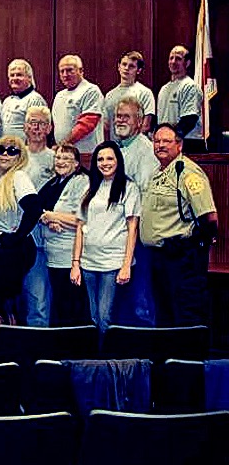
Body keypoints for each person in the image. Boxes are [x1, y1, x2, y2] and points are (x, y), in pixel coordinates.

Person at [140, 124, 218, 327]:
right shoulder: (159, 172)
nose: (160, 145)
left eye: (166, 141)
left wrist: (190, 248)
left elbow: (209, 218)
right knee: (165, 313)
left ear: (179, 145)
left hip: (181, 258)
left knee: (185, 314)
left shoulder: (188, 173)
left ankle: (189, 349)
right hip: (159, 257)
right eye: (157, 141)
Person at [71, 141, 140, 333]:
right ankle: (96, 351)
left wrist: (126, 265)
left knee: (105, 316)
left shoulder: (129, 187)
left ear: (118, 161)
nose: (105, 163)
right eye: (100, 159)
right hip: (88, 263)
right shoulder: (89, 186)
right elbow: (80, 226)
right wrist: (75, 264)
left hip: (113, 263)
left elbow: (132, 228)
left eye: (110, 158)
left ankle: (106, 353)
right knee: (93, 316)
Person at [0, 135, 42, 327]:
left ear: (20, 156)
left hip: (10, 251)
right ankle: (1, 342)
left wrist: (14, 238)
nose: (5, 154)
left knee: (3, 304)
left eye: (12, 151)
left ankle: (12, 342)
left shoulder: (18, 177)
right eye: (1, 149)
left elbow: (34, 209)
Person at [112, 97, 159, 327]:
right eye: (118, 116)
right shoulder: (116, 148)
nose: (120, 120)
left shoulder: (145, 151)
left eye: (126, 117)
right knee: (121, 298)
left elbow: (143, 194)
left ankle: (145, 345)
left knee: (140, 296)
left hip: (137, 234)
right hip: (116, 233)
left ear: (139, 122)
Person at [39, 145, 91, 327]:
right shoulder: (53, 183)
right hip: (52, 255)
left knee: (73, 308)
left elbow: (81, 219)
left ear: (76, 164)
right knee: (60, 307)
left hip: (70, 257)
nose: (60, 162)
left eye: (66, 159)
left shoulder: (82, 182)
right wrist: (49, 220)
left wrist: (51, 216)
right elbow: (38, 209)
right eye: (58, 158)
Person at [21, 105, 56, 327]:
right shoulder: (15, 155)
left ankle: (38, 343)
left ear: (49, 128)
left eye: (42, 123)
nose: (36, 128)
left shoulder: (55, 158)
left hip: (43, 238)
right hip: (16, 236)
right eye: (32, 122)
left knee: (39, 299)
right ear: (25, 126)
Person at [157, 45, 206, 153]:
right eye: (171, 58)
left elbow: (189, 120)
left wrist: (172, 138)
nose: (173, 62)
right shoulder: (164, 89)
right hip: (168, 143)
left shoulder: (190, 87)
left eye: (178, 59)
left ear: (187, 63)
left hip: (187, 144)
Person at [52, 55, 103, 153]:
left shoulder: (91, 90)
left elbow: (87, 124)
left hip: (86, 153)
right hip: (64, 153)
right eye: (62, 71)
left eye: (69, 70)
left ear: (81, 71)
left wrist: (64, 144)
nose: (65, 74)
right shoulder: (59, 96)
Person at [103, 51, 154, 141]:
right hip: (115, 146)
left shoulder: (145, 93)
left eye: (131, 66)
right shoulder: (109, 95)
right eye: (124, 64)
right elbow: (106, 126)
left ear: (138, 70)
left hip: (136, 145)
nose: (126, 68)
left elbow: (146, 125)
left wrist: (131, 144)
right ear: (119, 67)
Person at [0, 59, 47, 140]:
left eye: (19, 75)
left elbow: (39, 132)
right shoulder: (7, 101)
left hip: (25, 148)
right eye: (12, 75)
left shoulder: (35, 99)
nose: (15, 78)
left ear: (29, 78)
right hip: (6, 147)